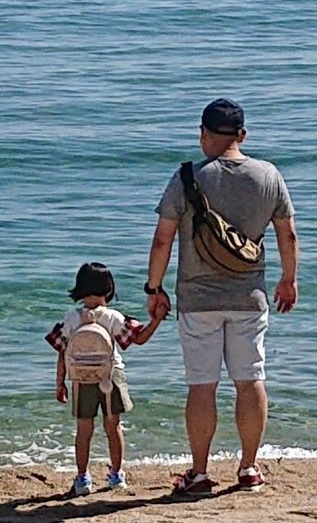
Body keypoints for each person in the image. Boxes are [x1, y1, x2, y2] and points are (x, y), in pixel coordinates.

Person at [145, 98, 298, 497]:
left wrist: (154, 288)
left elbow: (163, 240)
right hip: (249, 297)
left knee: (202, 386)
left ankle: (198, 473)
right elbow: (288, 234)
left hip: (198, 302)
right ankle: (248, 468)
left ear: (203, 135)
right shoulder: (268, 176)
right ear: (242, 136)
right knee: (250, 381)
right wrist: (288, 280)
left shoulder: (186, 179)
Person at [46, 262, 168, 496]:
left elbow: (62, 351)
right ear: (109, 288)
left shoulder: (72, 318)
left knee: (84, 430)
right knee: (114, 427)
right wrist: (157, 320)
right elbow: (139, 339)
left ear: (80, 287)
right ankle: (116, 475)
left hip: (81, 379)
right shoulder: (112, 317)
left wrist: (60, 382)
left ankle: (82, 479)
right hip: (111, 377)